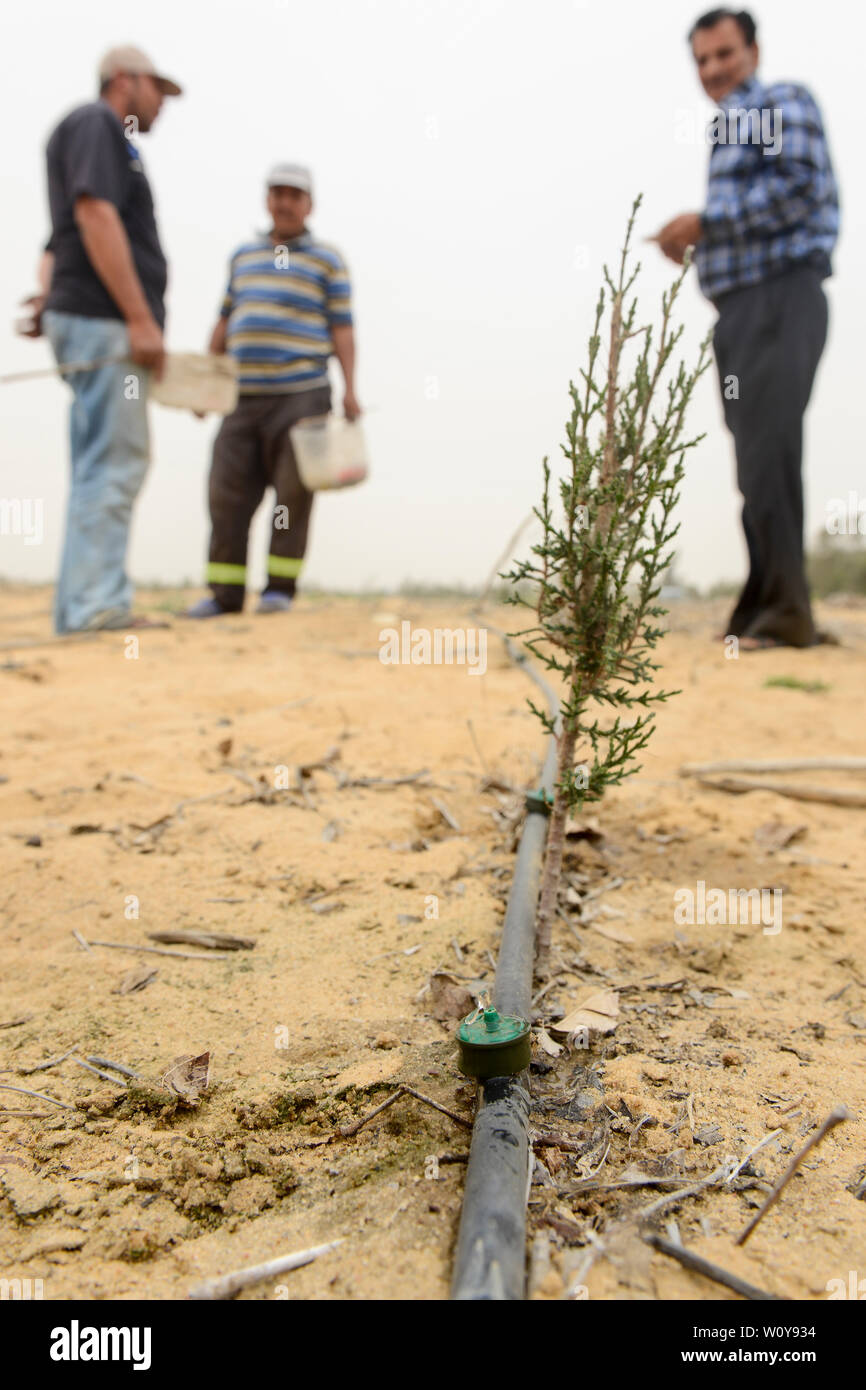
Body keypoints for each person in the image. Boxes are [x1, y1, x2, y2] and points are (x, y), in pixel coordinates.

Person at [653, 8, 839, 649]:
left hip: (780, 301)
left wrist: (704, 223)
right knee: (754, 462)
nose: (713, 71)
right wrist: (699, 248)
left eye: (724, 55)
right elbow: (752, 223)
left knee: (770, 455)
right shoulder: (727, 129)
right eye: (702, 61)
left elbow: (800, 189)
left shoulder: (779, 103)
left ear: (753, 52)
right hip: (740, 310)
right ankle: (766, 604)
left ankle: (787, 615)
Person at [30, 45, 181, 633]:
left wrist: (48, 299)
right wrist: (140, 318)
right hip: (105, 323)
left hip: (83, 317)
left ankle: (79, 608)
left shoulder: (90, 134)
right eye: (156, 91)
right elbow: (92, 213)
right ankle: (96, 608)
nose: (161, 104)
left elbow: (57, 237)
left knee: (95, 468)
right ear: (125, 80)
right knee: (117, 463)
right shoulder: (98, 124)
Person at [186, 164, 360, 618]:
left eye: (294, 195)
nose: (284, 202)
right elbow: (224, 321)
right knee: (226, 494)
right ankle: (224, 594)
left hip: (302, 395)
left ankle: (278, 591)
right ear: (267, 200)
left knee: (292, 496)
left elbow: (342, 327)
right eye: (277, 193)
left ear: (309, 205)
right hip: (242, 398)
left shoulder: (328, 259)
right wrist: (207, 386)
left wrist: (350, 389)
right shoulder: (243, 256)